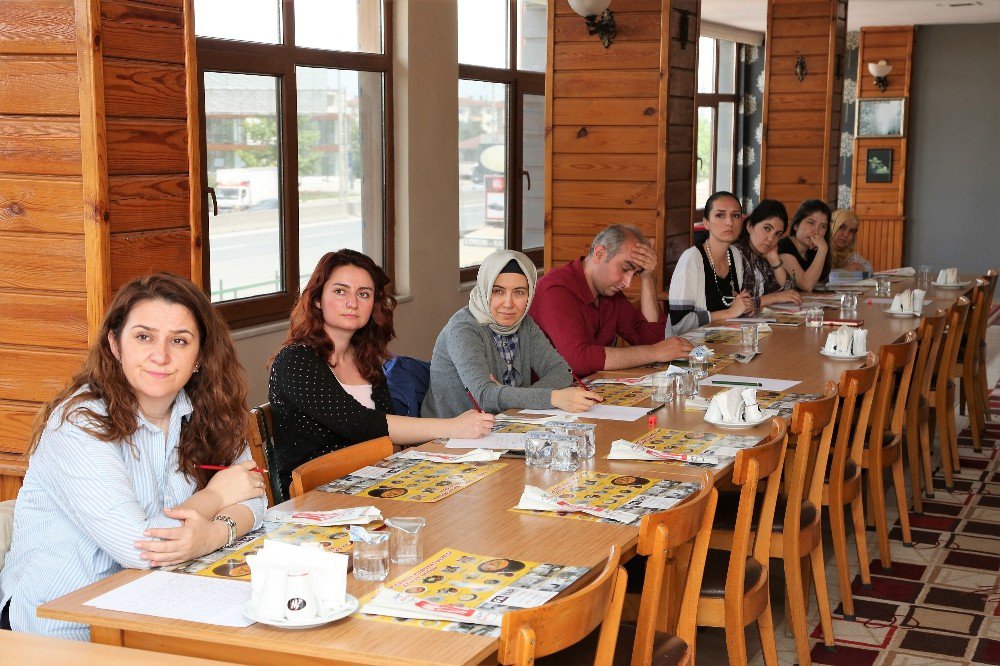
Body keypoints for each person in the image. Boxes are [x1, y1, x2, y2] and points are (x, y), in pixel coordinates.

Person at [0, 274, 267, 640]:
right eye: (144, 337)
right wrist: (217, 497)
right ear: (115, 344)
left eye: (179, 341)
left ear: (200, 355)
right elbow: (140, 549)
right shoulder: (78, 423)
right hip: (63, 628)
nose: (161, 355)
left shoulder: (209, 412)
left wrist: (214, 533)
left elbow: (254, 497)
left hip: (158, 610)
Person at [268, 250, 494, 495]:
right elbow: (362, 424)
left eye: (363, 294)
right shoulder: (295, 360)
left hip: (372, 481)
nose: (352, 303)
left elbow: (390, 435)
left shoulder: (365, 358)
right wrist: (451, 427)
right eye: (340, 291)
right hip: (315, 497)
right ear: (317, 300)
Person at [422, 250, 602, 419]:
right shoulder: (463, 330)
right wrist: (553, 398)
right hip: (447, 440)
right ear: (484, 289)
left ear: (530, 295)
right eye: (498, 291)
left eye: (519, 292)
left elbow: (561, 372)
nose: (508, 303)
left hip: (504, 426)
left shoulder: (524, 324)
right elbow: (485, 396)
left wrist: (511, 397)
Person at [529, 225, 694, 377]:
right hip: (546, 399)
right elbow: (577, 361)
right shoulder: (556, 289)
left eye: (634, 274)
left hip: (590, 389)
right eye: (625, 269)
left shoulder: (608, 291)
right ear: (599, 254)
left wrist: (647, 277)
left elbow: (652, 339)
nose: (627, 283)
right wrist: (654, 352)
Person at [668, 191, 754, 333]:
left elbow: (730, 305)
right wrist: (730, 312)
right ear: (706, 223)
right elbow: (680, 325)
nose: (729, 222)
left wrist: (744, 306)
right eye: (720, 215)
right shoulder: (691, 259)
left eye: (736, 215)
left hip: (724, 340)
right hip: (691, 349)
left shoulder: (734, 255)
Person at [733, 199, 803, 312]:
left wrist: (775, 260)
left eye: (777, 234)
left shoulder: (764, 257)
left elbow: (789, 293)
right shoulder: (736, 254)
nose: (771, 239)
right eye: (767, 228)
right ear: (750, 226)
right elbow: (740, 303)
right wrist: (774, 298)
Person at [778, 199, 832, 292]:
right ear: (796, 225)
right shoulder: (783, 247)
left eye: (822, 226)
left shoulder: (812, 250)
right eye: (811, 223)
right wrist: (823, 250)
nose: (816, 231)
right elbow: (806, 285)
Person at [829, 209, 873, 273]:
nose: (846, 235)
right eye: (842, 228)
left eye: (852, 231)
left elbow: (869, 270)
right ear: (831, 227)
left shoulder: (852, 258)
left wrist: (863, 273)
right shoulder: (818, 253)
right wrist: (843, 272)